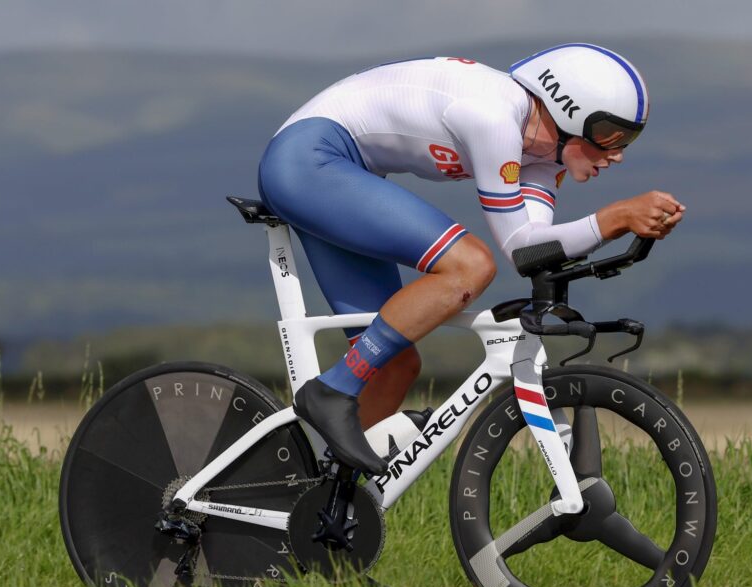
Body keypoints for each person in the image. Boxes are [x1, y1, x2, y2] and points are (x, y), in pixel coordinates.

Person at [257, 43, 685, 476]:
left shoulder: (542, 156)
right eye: (612, 137)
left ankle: (319, 498)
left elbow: (537, 249)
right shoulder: (494, 115)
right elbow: (518, 245)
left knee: (394, 366)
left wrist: (624, 230)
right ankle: (331, 392)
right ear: (569, 112)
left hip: (343, 173)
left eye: (629, 140)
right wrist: (614, 219)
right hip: (309, 160)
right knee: (471, 265)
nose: (618, 154)